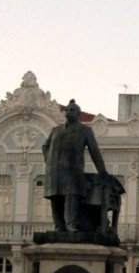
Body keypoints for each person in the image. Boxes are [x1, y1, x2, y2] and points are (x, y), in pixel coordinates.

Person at [42, 99, 109, 232]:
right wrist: (49, 160)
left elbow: (94, 151)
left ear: (78, 114)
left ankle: (71, 224)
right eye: (66, 110)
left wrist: (102, 170)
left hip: (73, 170)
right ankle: (59, 226)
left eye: (72, 110)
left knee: (71, 196)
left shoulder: (85, 130)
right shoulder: (56, 130)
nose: (68, 112)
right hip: (54, 170)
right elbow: (45, 146)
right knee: (55, 197)